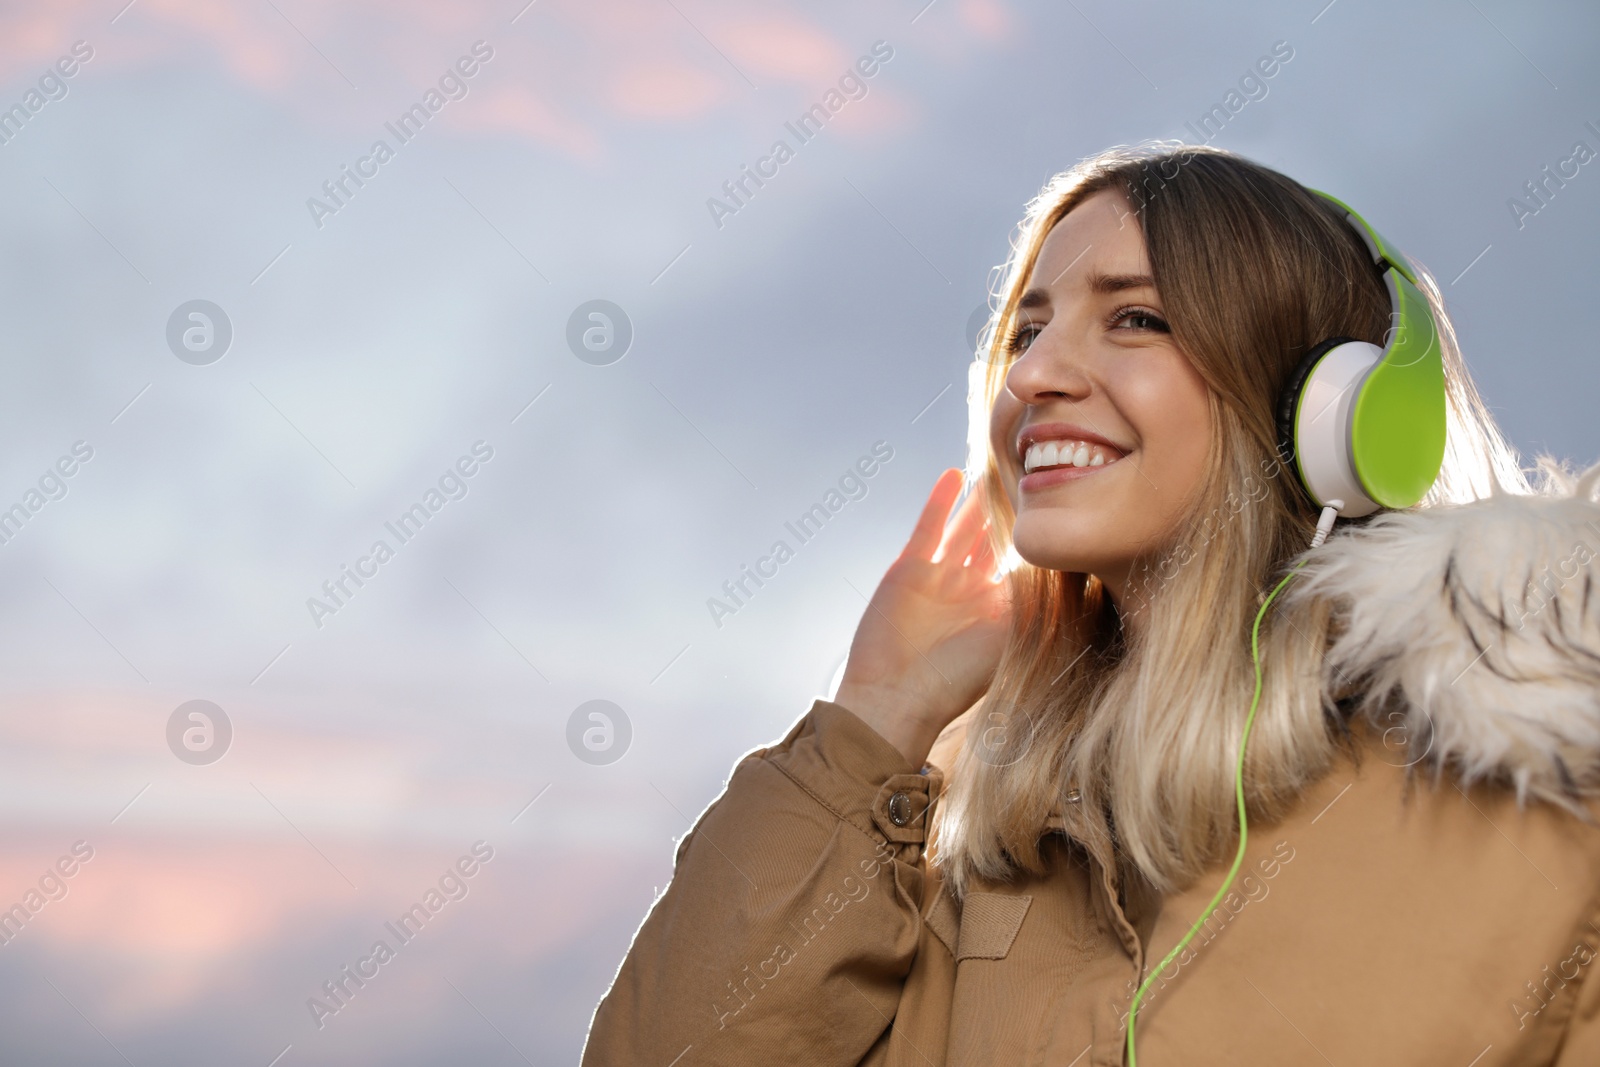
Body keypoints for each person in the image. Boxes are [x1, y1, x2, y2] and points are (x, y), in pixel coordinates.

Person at [579, 143, 1600, 1065]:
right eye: (1025, 329)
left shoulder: (1549, 812)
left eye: (1135, 318)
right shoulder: (962, 851)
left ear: (1331, 409)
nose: (1031, 375)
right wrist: (877, 713)